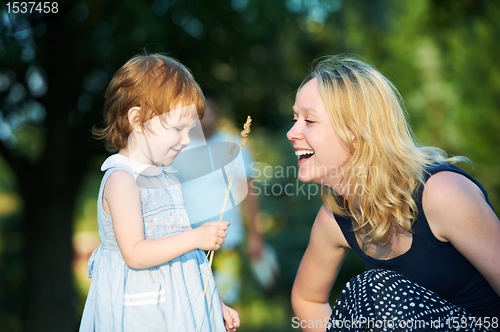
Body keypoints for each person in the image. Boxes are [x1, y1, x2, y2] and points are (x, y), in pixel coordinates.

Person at [289, 55, 500, 331]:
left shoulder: (441, 194)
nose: (292, 132)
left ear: (355, 130)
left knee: (373, 289)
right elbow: (307, 299)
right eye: (295, 118)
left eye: (309, 121)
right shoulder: (335, 217)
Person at [79, 54, 240, 332]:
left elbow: (186, 259)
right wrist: (196, 237)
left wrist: (213, 301)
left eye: (190, 130)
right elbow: (136, 254)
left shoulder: (168, 179)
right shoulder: (122, 180)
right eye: (178, 128)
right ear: (137, 120)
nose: (187, 139)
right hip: (140, 312)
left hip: (176, 307)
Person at [171, 95, 270, 304]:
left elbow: (249, 193)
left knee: (225, 303)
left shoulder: (234, 145)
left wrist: (255, 236)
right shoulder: (176, 148)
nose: (204, 116)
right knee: (190, 303)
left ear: (218, 112)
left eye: (209, 110)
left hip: (227, 241)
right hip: (186, 242)